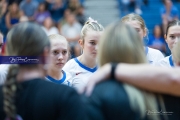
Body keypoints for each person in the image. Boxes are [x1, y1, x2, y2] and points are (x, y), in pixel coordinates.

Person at [0, 22, 86, 120]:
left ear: (5, 53)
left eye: (64, 52)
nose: (60, 57)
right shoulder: (66, 96)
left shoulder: (4, 94)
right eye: (55, 52)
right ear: (46, 53)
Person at [84, 22, 168, 120]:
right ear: (137, 50)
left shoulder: (92, 95)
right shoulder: (158, 92)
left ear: (104, 50)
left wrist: (112, 68)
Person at [63, 17, 104, 92]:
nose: (97, 48)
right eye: (92, 43)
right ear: (81, 43)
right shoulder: (69, 67)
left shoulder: (107, 67)